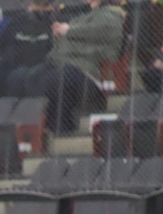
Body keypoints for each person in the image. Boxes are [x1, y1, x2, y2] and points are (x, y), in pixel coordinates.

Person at [39, 0, 126, 133]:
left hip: (89, 74)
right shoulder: (84, 15)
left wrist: (68, 30)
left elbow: (101, 31)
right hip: (63, 65)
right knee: (31, 76)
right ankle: (42, 130)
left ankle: (62, 129)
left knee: (61, 77)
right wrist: (60, 31)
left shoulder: (111, 15)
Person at [0, 0, 56, 97]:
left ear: (51, 7)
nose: (40, 9)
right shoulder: (17, 22)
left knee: (29, 75)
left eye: (44, 5)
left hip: (46, 65)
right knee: (15, 75)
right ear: (30, 5)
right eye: (37, 5)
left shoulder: (55, 22)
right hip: (20, 65)